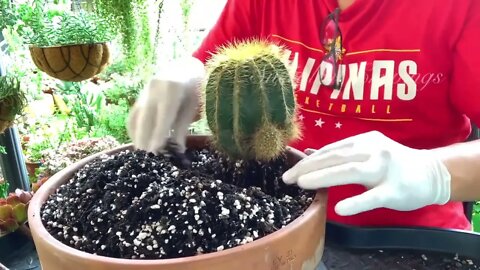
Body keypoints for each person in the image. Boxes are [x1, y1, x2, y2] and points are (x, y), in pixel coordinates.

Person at [127, 0, 480, 231]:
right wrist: (189, 78)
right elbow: (218, 85)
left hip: (409, 238)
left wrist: (434, 173)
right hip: (274, 222)